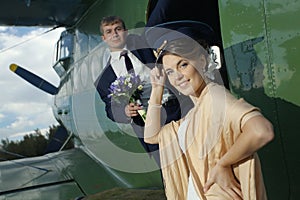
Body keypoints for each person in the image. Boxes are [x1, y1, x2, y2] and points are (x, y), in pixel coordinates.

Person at [144, 20, 274, 200]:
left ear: (202, 60)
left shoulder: (215, 97)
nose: (178, 77)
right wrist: (157, 88)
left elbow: (261, 131)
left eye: (183, 65)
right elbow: (151, 136)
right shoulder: (194, 113)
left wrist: (223, 164)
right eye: (170, 72)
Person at [94, 16, 193, 165]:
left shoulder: (143, 46)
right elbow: (110, 108)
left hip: (176, 109)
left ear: (126, 32)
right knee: (169, 170)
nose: (114, 34)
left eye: (118, 29)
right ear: (104, 38)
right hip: (147, 125)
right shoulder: (103, 80)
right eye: (109, 32)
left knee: (195, 156)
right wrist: (125, 111)